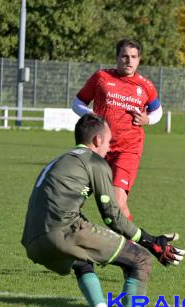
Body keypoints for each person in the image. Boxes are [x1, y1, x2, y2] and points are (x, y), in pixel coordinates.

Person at [21, 114, 185, 307]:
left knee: (81, 260)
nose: (110, 147)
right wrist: (150, 241)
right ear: (97, 139)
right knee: (140, 261)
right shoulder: (94, 162)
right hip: (63, 232)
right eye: (109, 141)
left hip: (33, 241)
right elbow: (113, 217)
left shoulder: (59, 161)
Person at [72, 39, 163, 221]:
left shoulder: (145, 86)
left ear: (138, 60)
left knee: (117, 203)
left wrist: (148, 119)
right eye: (124, 56)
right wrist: (89, 114)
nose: (129, 60)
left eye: (134, 57)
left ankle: (133, 246)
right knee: (74, 197)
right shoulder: (101, 78)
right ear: (117, 58)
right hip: (97, 147)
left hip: (128, 150)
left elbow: (158, 111)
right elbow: (77, 103)